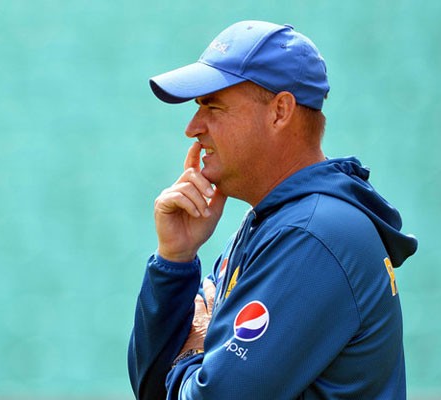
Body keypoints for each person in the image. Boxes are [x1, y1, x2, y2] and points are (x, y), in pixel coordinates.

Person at [127, 20, 418, 400]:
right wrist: (174, 261)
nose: (193, 127)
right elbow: (153, 390)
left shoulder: (312, 236)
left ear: (280, 111)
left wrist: (195, 349)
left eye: (212, 105)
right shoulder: (272, 223)